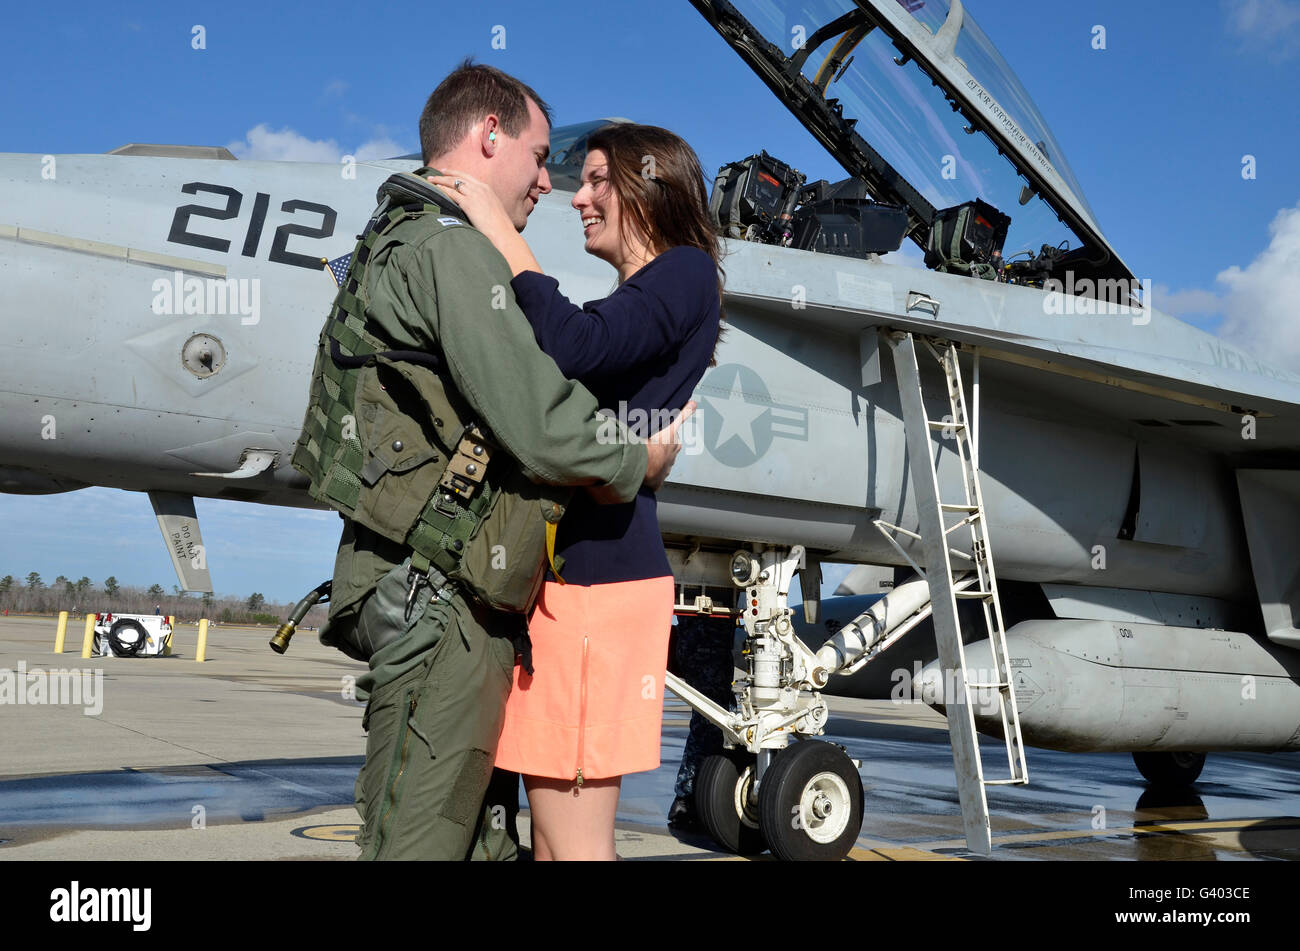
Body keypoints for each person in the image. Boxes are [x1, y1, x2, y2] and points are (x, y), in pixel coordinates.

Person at [291, 62, 690, 862]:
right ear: (488, 136)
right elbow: (540, 423)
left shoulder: (387, 238)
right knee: (425, 841)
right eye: (540, 156)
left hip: (409, 581)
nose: (550, 182)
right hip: (443, 599)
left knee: (471, 838)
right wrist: (636, 461)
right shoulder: (456, 253)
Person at [427, 121, 723, 860]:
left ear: (648, 186)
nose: (577, 198)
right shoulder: (637, 294)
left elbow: (575, 347)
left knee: (576, 847)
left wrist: (497, 228)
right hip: (566, 585)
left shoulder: (684, 271)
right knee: (556, 846)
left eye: (596, 181)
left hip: (603, 585)